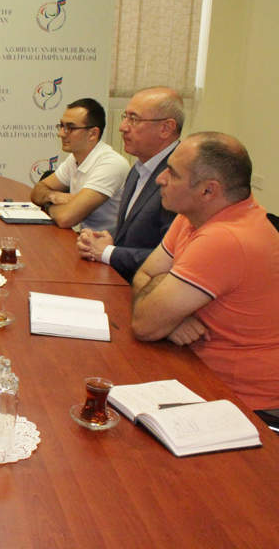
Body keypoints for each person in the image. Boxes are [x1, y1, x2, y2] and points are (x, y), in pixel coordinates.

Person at [131, 132, 279, 414]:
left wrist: (164, 315)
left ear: (208, 191)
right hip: (198, 369)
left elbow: (144, 324)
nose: (160, 179)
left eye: (173, 174)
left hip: (245, 404)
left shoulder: (226, 238)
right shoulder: (193, 214)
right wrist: (172, 320)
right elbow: (144, 275)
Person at [76, 87, 182, 282]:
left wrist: (108, 252)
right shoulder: (138, 168)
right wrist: (106, 241)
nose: (123, 127)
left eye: (134, 119)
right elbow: (134, 237)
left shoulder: (181, 178)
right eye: (125, 117)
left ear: (166, 128)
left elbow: (173, 257)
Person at [30, 98, 130, 233]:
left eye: (70, 128)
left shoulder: (111, 164)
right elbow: (37, 191)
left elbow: (66, 218)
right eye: (61, 126)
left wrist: (47, 206)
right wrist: (52, 196)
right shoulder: (74, 158)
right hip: (83, 237)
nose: (61, 134)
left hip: (106, 243)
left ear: (93, 134)